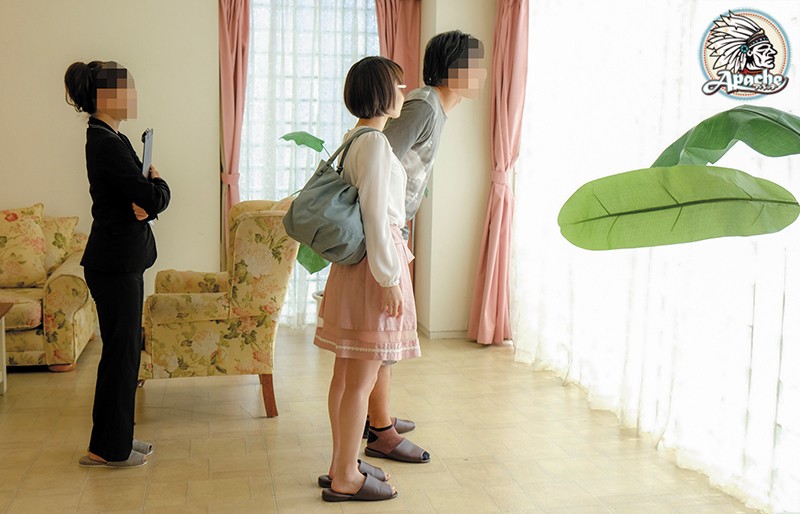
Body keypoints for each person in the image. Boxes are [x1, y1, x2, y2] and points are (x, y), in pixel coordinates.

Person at [362, 30, 486, 463]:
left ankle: (378, 416)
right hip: (383, 231)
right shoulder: (423, 106)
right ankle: (380, 431)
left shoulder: (434, 108)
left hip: (392, 228)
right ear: (453, 70)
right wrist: (389, 236)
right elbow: (378, 161)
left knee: (386, 334)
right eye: (475, 65)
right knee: (382, 336)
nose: (482, 73)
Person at [314, 56, 418, 502]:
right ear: (380, 91)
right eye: (398, 84)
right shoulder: (374, 142)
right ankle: (345, 477)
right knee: (361, 379)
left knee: (345, 375)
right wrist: (389, 277)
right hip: (374, 265)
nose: (403, 92)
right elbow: (375, 215)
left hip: (355, 265)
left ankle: (342, 464)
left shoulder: (354, 137)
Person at [64, 61, 171, 468]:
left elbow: (142, 198)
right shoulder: (105, 142)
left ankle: (118, 440)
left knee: (124, 355)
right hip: (114, 265)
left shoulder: (112, 136)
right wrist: (157, 188)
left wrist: (148, 197)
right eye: (128, 88)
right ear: (107, 96)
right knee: (120, 356)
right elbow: (151, 195)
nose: (134, 95)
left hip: (119, 262)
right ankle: (107, 450)